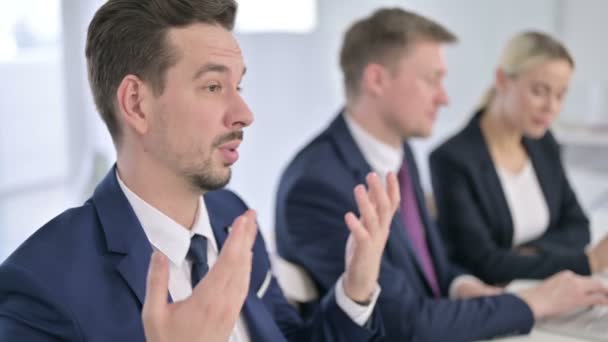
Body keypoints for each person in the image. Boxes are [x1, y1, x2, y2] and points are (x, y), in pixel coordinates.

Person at [0, 0, 402, 341]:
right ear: (137, 105)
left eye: (238, 87)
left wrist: (356, 289)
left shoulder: (233, 218)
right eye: (213, 87)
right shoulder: (41, 286)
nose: (244, 114)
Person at [275, 8, 608, 342]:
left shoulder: (400, 155)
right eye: (432, 79)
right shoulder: (317, 186)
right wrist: (532, 302)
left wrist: (463, 286)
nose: (445, 97)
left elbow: (435, 267)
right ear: (376, 79)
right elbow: (403, 323)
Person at [430, 31, 608, 285]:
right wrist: (588, 262)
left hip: (547, 287)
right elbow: (484, 264)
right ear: (502, 80)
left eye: (560, 95)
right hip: (496, 299)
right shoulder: (451, 160)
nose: (552, 107)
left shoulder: (544, 145)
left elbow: (578, 228)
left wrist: (523, 255)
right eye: (539, 91)